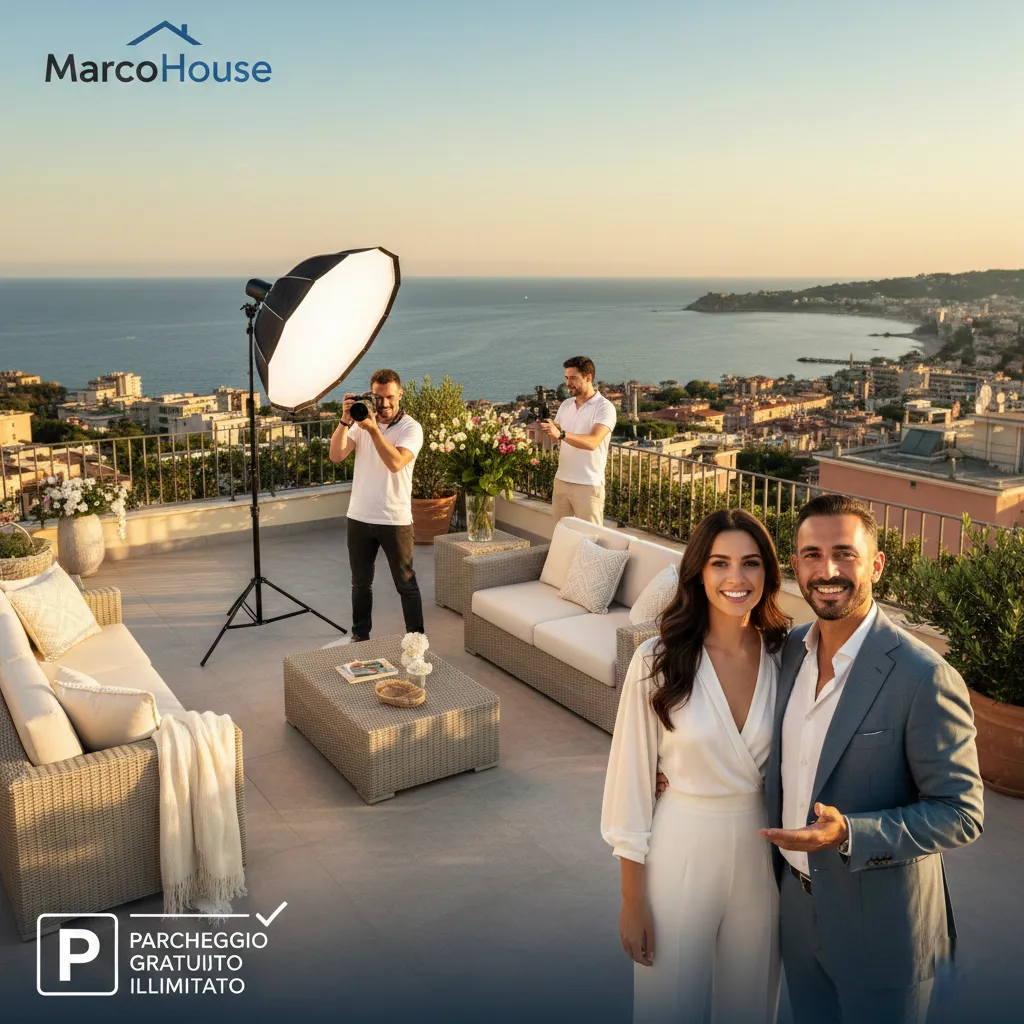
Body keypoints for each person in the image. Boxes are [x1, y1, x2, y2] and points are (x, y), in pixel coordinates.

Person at [760, 493, 984, 1024]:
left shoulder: (923, 677)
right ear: (795, 565)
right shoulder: (786, 653)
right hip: (796, 908)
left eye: (845, 553)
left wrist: (850, 834)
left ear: (876, 565)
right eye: (812, 555)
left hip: (884, 928)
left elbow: (962, 811)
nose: (827, 570)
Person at [602, 509, 788, 1023]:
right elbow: (630, 786)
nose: (736, 579)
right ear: (698, 574)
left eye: (750, 564)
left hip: (761, 856)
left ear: (768, 574)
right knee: (668, 1008)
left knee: (753, 1007)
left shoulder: (785, 656)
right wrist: (632, 899)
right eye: (719, 563)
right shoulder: (657, 660)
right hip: (680, 848)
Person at [329, 368, 424, 642]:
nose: (383, 404)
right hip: (359, 516)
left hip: (394, 519)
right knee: (360, 585)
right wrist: (345, 422)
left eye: (389, 397)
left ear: (400, 394)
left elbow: (395, 463)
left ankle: (417, 643)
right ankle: (360, 637)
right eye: (378, 397)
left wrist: (372, 431)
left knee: (406, 584)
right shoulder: (361, 423)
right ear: (371, 394)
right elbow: (336, 456)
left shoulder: (411, 428)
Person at [539, 356, 617, 524]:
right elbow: (556, 438)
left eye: (573, 378)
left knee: (591, 540)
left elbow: (593, 442)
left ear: (588, 377)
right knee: (561, 536)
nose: (568, 383)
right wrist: (549, 430)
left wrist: (561, 434)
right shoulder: (566, 405)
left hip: (588, 484)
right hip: (562, 481)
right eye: (566, 378)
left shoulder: (604, 407)